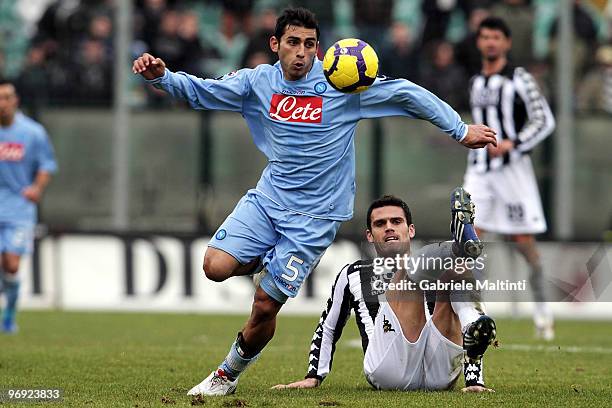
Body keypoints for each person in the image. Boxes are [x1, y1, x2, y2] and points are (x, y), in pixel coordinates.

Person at [132, 7, 497, 396]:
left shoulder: (344, 83)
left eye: (309, 45)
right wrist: (164, 79)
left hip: (315, 217)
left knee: (264, 306)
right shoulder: (258, 81)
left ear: (318, 49)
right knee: (215, 266)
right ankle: (268, 263)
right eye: (292, 43)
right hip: (268, 199)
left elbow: (407, 93)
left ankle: (226, 375)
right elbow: (205, 91)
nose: (301, 53)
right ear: (275, 45)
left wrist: (460, 129)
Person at [273, 189, 496, 392]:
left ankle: (470, 320)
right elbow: (329, 327)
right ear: (370, 235)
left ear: (410, 230)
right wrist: (314, 375)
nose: (389, 227)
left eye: (396, 221)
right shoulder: (354, 273)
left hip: (437, 372)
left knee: (457, 269)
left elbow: (472, 320)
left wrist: (475, 380)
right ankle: (458, 247)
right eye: (380, 224)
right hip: (387, 369)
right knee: (415, 270)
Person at [463, 17, 556, 340]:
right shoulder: (476, 82)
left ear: (507, 43)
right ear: (479, 42)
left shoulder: (519, 79)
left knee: (524, 243)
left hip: (514, 171)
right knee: (471, 236)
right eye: (485, 37)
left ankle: (543, 311)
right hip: (479, 171)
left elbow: (544, 121)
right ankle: (474, 313)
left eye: (496, 37)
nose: (490, 42)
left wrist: (513, 144)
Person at [0, 79, 57, 333]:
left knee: (11, 265)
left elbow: (46, 165)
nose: (1, 104)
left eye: (5, 98)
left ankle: (9, 314)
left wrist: (36, 188)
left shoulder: (33, 132)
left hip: (19, 209)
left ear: (15, 101)